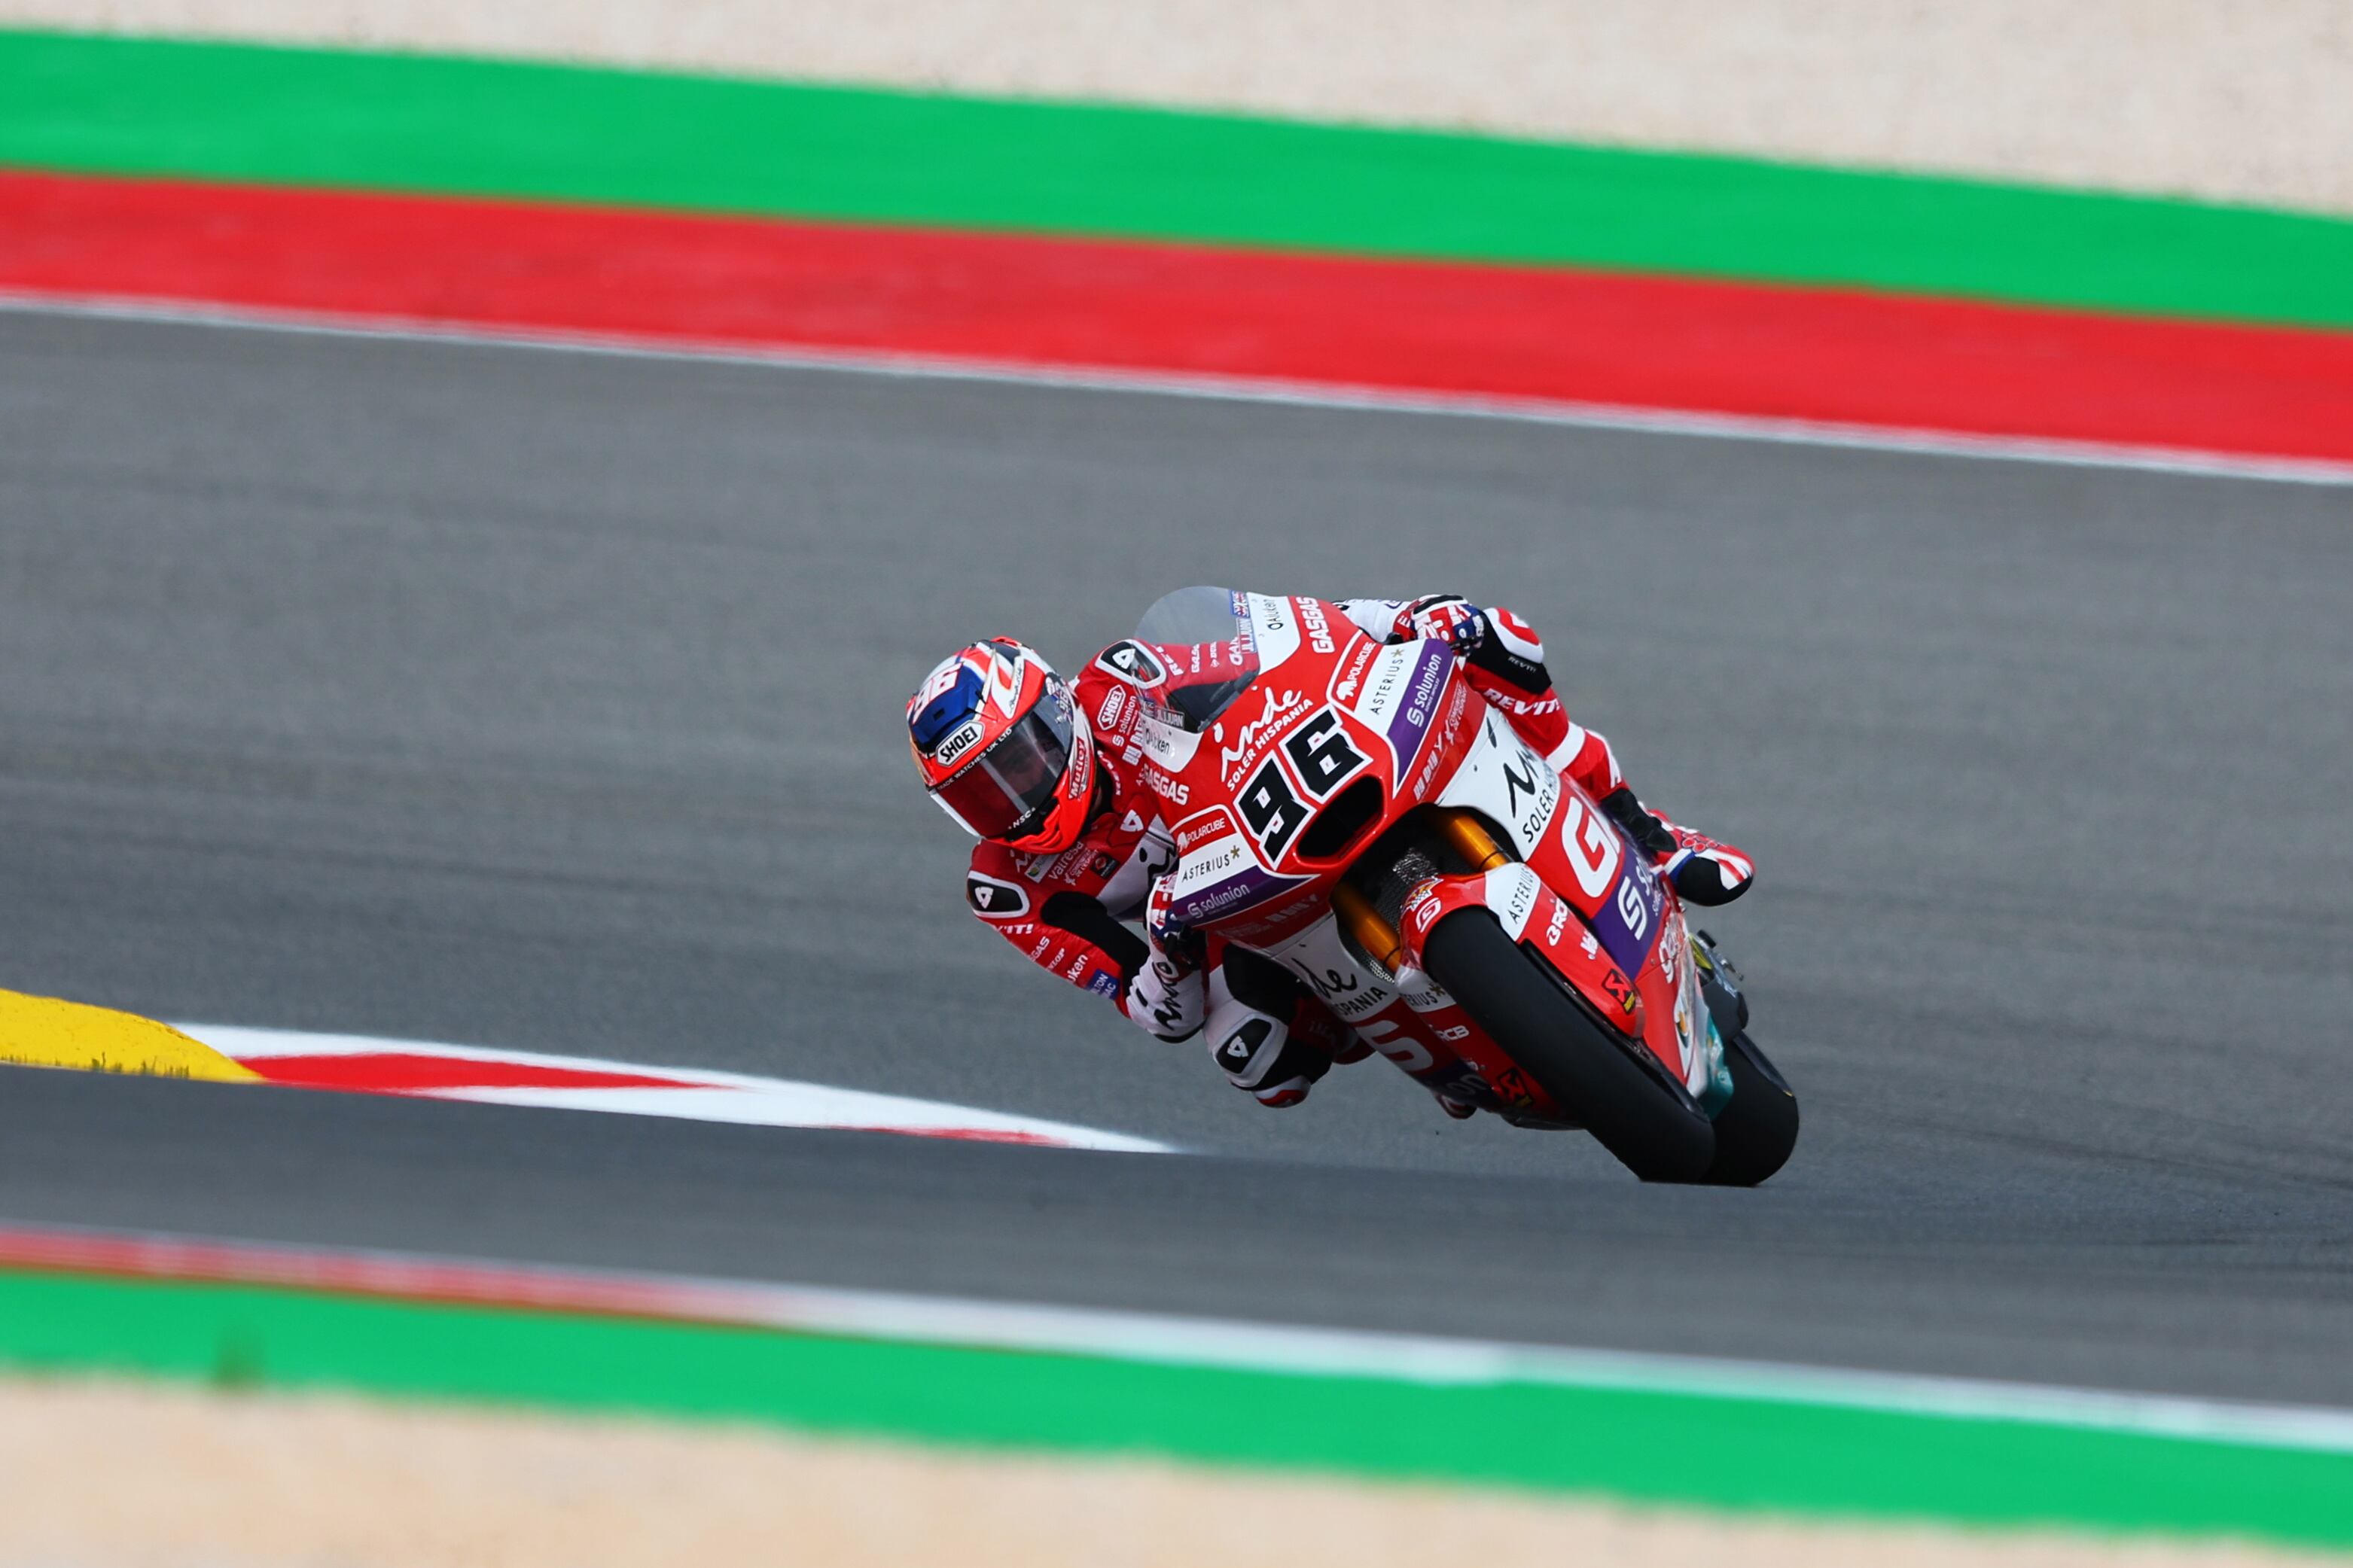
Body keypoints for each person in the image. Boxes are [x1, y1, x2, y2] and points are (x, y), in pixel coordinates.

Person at [904, 595, 1751, 1117]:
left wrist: (1394, 621)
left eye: (1020, 760)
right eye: (983, 793)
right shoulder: (1007, 886)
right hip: (1219, 919)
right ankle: (1428, 1043)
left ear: (1056, 713)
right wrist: (1165, 939)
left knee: (1490, 639)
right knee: (1259, 1065)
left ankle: (1641, 830)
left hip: (1269, 812)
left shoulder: (1121, 685)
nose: (1016, 797)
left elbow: (1280, 640)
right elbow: (1151, 1010)